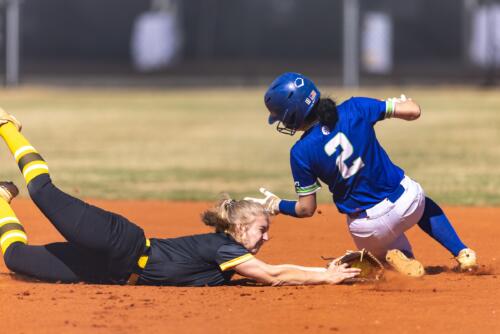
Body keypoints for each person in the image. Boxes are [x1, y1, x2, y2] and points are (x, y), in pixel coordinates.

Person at [0, 109, 360, 286]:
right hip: (119, 242)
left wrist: (321, 271)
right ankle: (7, 127)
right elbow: (273, 274)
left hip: (109, 273)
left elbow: (273, 272)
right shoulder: (226, 249)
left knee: (15, 258)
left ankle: (1, 198)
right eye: (262, 228)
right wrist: (324, 276)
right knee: (43, 191)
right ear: (240, 226)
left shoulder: (229, 260)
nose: (266, 237)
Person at [245, 72, 477, 277]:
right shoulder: (355, 107)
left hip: (369, 227)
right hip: (408, 201)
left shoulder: (300, 152)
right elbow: (413, 111)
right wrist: (405, 102)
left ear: (292, 116)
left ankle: (401, 258)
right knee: (424, 204)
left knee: (383, 250)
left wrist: (276, 205)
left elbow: (306, 209)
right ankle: (462, 251)